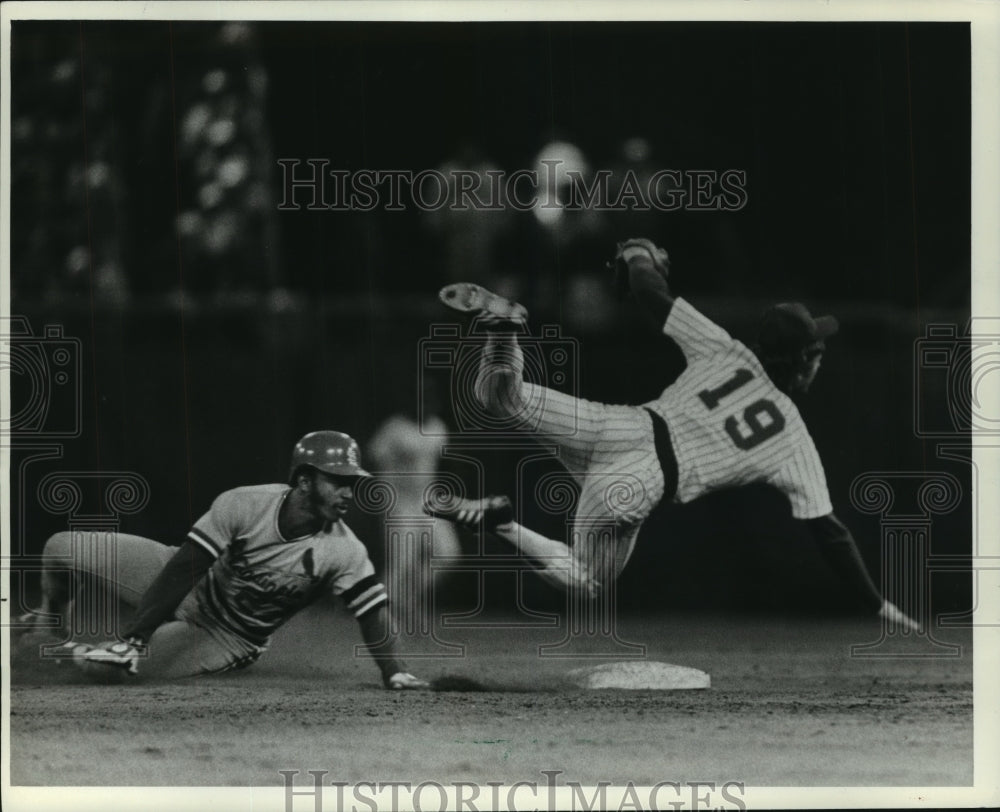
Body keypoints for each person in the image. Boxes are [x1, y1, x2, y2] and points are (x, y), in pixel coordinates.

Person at [425, 238, 918, 630]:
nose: (819, 361)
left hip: (617, 423)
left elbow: (648, 293)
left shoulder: (727, 351)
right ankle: (501, 520)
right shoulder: (792, 436)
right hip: (643, 478)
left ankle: (504, 328)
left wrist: (640, 254)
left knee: (500, 397)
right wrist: (874, 602)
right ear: (802, 361)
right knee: (586, 583)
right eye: (816, 353)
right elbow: (829, 533)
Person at [22, 431, 430, 688]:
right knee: (61, 546)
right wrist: (135, 636)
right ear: (304, 480)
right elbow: (187, 565)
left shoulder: (345, 549)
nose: (348, 493)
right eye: (338, 481)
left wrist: (393, 669)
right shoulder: (245, 503)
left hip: (227, 636)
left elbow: (373, 611)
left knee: (109, 669)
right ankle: (50, 626)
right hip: (197, 585)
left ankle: (42, 655)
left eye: (352, 484)